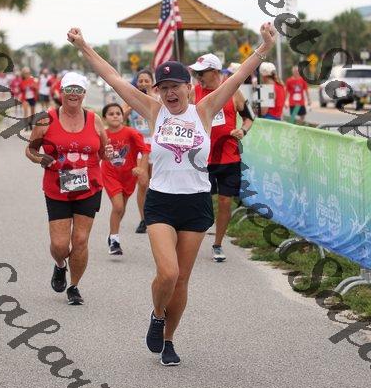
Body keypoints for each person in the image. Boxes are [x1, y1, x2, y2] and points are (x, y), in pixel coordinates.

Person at [67, 22, 275, 365]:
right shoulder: (154, 111)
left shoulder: (204, 110)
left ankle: (168, 340)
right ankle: (157, 314)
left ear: (189, 87)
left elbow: (238, 77)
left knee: (181, 281)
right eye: (163, 88)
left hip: (196, 204)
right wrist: (84, 46)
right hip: (162, 202)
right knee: (168, 273)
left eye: (175, 86)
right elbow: (113, 79)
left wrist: (264, 47)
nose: (168, 93)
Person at [25, 71, 112, 305]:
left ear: (84, 93)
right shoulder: (46, 119)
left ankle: (74, 286)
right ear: (61, 92)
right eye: (69, 90)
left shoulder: (94, 119)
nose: (73, 94)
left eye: (78, 90)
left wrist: (109, 153)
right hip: (57, 188)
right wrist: (40, 158)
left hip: (89, 187)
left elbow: (104, 152)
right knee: (60, 245)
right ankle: (60, 264)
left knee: (81, 240)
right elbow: (31, 150)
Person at [190, 55, 255, 263]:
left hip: (228, 156)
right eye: (196, 73)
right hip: (202, 158)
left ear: (215, 72)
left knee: (225, 202)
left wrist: (242, 131)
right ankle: (191, 240)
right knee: (201, 203)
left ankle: (217, 244)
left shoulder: (233, 91)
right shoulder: (194, 92)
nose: (198, 77)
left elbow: (249, 117)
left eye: (202, 73)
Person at [102, 103, 150, 255]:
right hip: (110, 174)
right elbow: (96, 153)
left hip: (128, 176)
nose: (115, 116)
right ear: (105, 118)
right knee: (118, 206)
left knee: (121, 208)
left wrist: (142, 169)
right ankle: (114, 241)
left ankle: (112, 234)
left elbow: (145, 150)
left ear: (123, 116)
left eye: (118, 113)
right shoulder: (103, 135)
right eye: (111, 114)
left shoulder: (131, 132)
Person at [122, 68, 159, 233]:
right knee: (143, 182)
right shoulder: (131, 100)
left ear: (152, 82)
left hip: (156, 143)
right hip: (139, 144)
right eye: (140, 81)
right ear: (136, 83)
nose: (143, 83)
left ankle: (157, 217)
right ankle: (144, 219)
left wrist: (150, 96)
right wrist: (131, 106)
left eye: (146, 81)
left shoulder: (158, 98)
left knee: (155, 182)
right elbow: (121, 117)